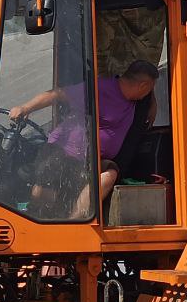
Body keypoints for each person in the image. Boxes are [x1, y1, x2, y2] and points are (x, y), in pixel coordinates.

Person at [9, 60, 159, 218]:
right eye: (150, 89)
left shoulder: (137, 99)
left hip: (93, 160)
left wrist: (153, 104)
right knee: (44, 192)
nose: (148, 94)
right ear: (143, 86)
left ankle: (74, 222)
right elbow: (57, 94)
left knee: (109, 174)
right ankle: (37, 215)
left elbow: (146, 86)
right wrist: (25, 108)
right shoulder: (99, 89)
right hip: (64, 151)